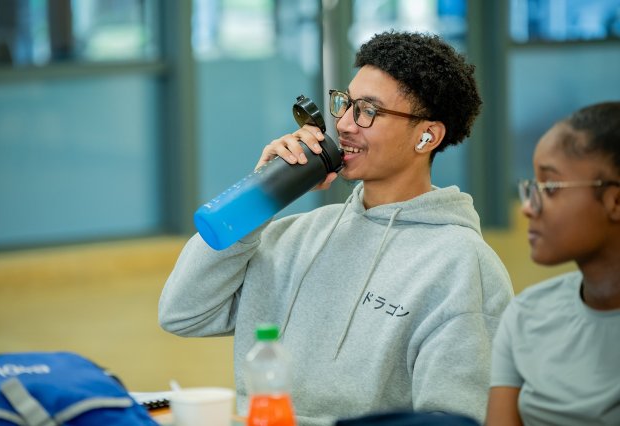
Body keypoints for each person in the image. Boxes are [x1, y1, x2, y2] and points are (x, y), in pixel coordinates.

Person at [159, 31, 513, 426]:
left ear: (427, 135)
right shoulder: (297, 236)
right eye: (345, 103)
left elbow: (453, 419)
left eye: (368, 111)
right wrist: (258, 195)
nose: (343, 124)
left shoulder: (460, 264)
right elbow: (182, 314)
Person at [485, 102, 620, 426]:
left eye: (550, 187)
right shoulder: (525, 314)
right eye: (532, 187)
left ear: (615, 201)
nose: (528, 208)